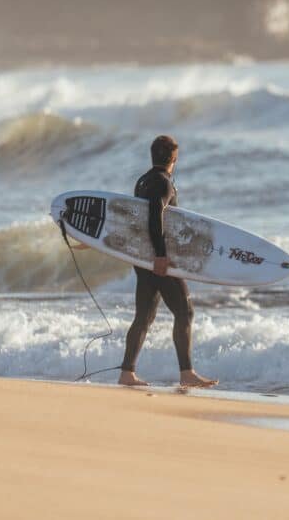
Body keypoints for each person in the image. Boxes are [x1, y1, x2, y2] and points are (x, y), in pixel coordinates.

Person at [118, 135, 218, 388]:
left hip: (143, 258)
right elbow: (155, 216)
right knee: (185, 311)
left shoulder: (143, 181)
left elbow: (137, 219)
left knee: (145, 316)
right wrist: (161, 255)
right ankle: (187, 373)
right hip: (158, 258)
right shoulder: (163, 183)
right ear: (174, 158)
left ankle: (127, 373)